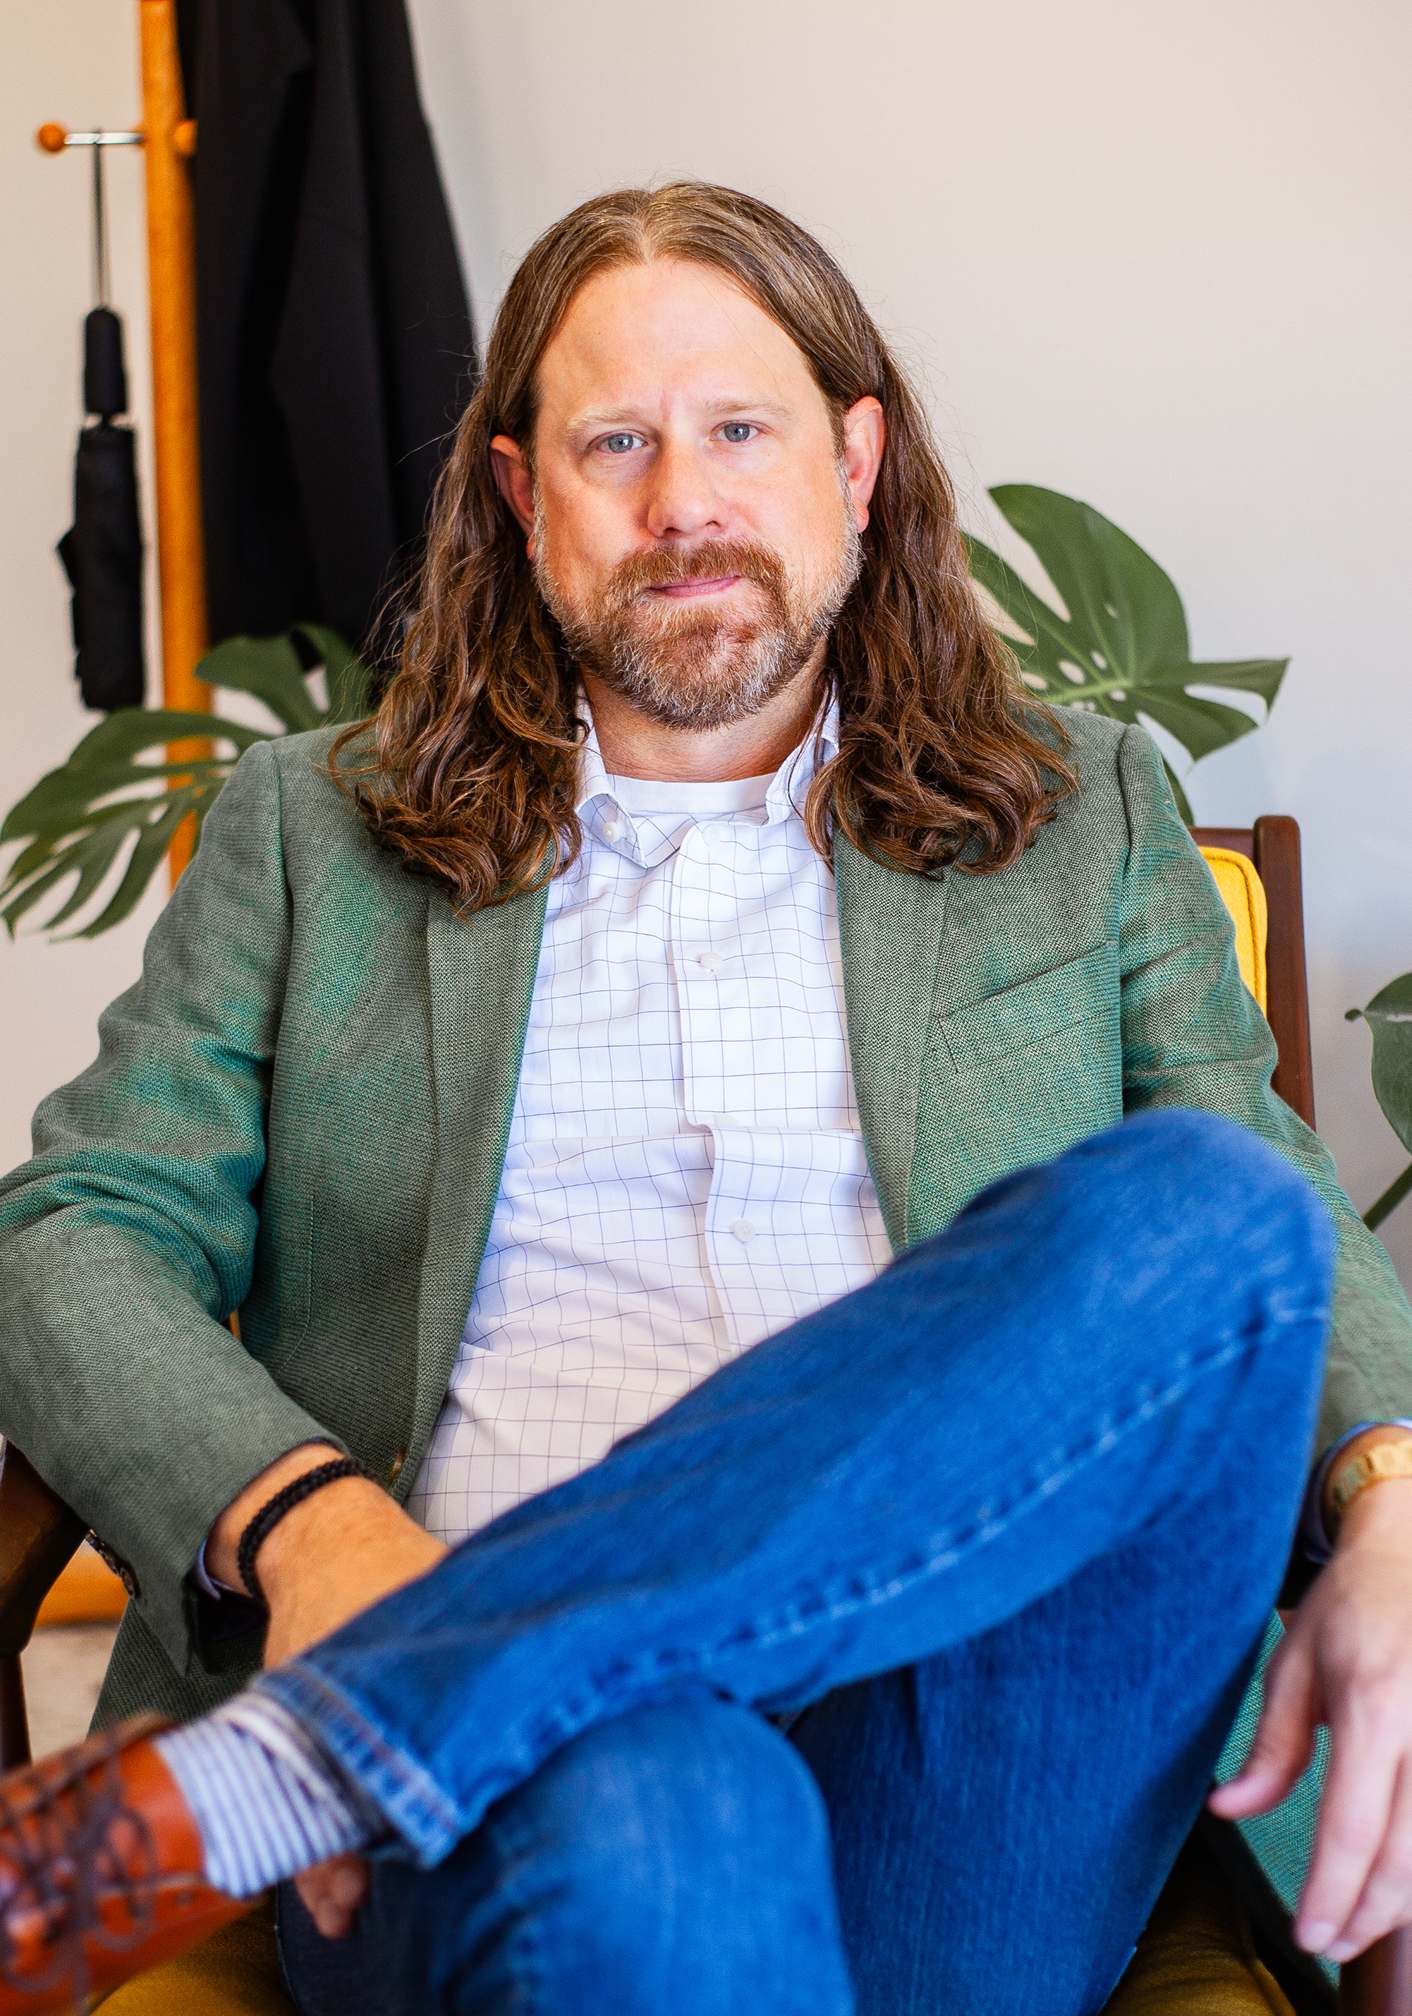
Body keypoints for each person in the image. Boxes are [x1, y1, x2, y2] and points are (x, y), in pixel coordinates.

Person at [1, 183, 1411, 2016]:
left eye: (740, 429)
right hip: (511, 1822)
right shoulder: (311, 838)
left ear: (857, 455)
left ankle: (354, 1727)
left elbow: (1271, 1225)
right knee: (661, 1793)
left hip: (978, 1756)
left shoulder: (1088, 813)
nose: (686, 505)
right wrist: (314, 1527)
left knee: (1214, 1216)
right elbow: (71, 1240)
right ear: (523, 499)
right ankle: (446, 1702)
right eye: (615, 444)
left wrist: (1392, 1500)